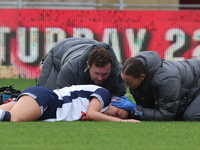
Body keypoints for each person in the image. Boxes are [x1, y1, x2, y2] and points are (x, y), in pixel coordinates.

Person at [111, 51, 200, 121]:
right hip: (193, 87)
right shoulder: (137, 79)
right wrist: (131, 110)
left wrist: (135, 108)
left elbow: (166, 115)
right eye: (124, 81)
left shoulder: (166, 79)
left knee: (191, 116)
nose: (126, 86)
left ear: (142, 77)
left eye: (129, 82)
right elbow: (149, 109)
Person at [0, 84, 140, 123]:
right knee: (12, 118)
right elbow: (92, 114)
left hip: (45, 104)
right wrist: (124, 122)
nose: (113, 116)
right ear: (116, 102)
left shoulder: (95, 108)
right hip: (47, 100)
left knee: (6, 114)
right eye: (118, 114)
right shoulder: (105, 94)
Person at [37, 38, 126, 96]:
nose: (100, 78)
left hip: (89, 44)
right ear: (88, 65)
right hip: (59, 51)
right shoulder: (69, 70)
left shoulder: (119, 72)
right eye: (96, 73)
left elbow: (119, 98)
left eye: (105, 74)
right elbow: (63, 101)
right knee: (46, 96)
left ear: (111, 68)